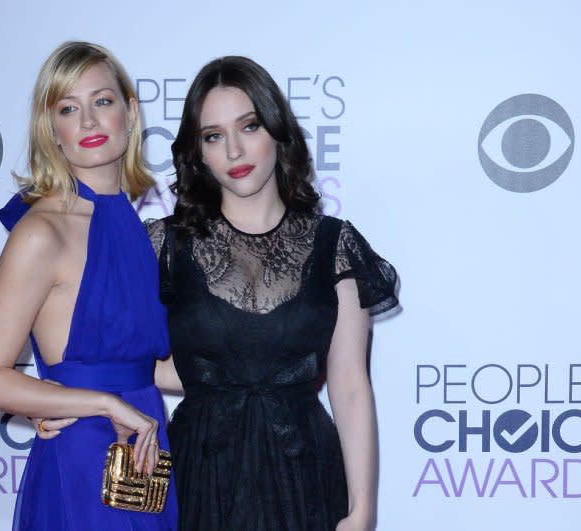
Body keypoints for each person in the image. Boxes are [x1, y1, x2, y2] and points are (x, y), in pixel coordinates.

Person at [148, 56, 399, 531]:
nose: (235, 150)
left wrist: (362, 510)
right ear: (198, 151)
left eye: (249, 126)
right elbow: (126, 353)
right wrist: (67, 394)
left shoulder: (334, 244)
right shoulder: (164, 244)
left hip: (305, 474)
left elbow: (349, 385)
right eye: (214, 136)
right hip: (199, 472)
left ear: (277, 131)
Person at [0, 41, 177, 530]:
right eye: (68, 108)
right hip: (83, 455)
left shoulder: (134, 227)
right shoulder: (42, 231)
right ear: (51, 129)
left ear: (130, 110)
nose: (88, 122)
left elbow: (150, 367)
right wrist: (101, 402)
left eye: (102, 101)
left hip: (145, 448)